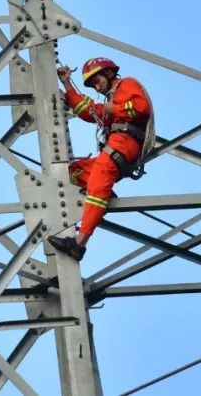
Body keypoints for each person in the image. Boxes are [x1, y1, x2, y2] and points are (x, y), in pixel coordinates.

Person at [49, 57, 154, 261]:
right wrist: (67, 83)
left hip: (125, 142)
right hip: (117, 143)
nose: (96, 87)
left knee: (98, 180)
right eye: (92, 85)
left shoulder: (127, 85)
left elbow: (142, 107)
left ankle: (79, 243)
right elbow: (90, 112)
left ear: (108, 73)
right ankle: (104, 193)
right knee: (74, 171)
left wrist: (113, 109)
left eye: (97, 81)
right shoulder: (111, 100)